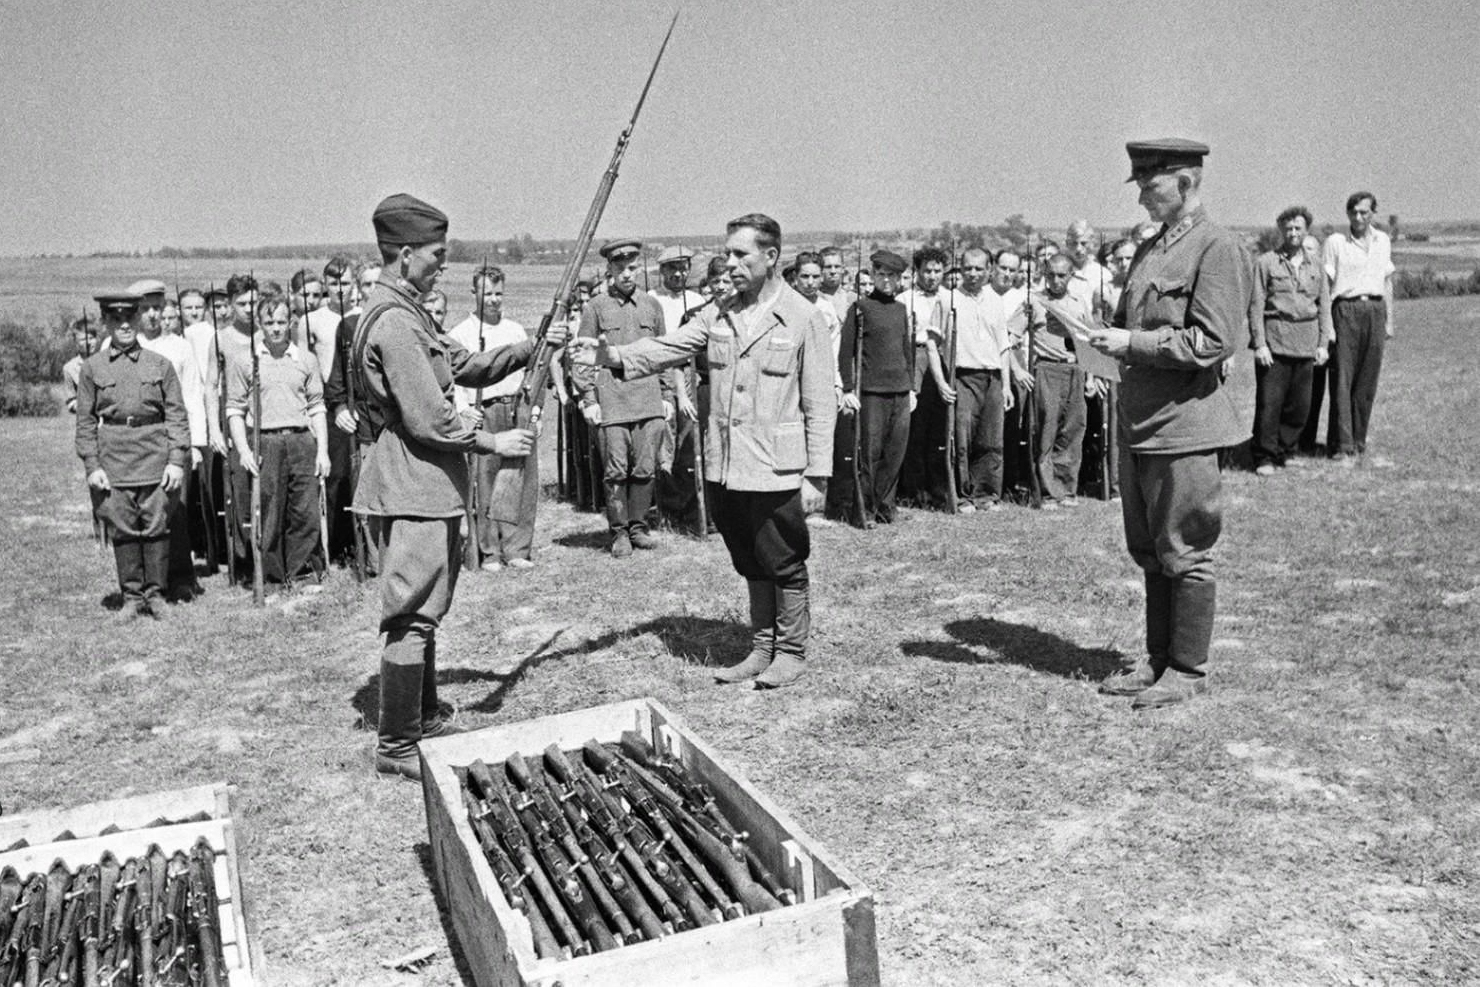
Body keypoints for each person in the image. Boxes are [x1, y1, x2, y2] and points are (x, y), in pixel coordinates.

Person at [350, 193, 565, 780]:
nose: (443, 265)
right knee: (411, 612)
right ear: (404, 254)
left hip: (426, 481)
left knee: (426, 607)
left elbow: (463, 365)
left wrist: (532, 346)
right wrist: (494, 442)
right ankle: (397, 744)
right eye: (436, 255)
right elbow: (430, 418)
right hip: (413, 481)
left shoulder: (409, 311)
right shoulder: (396, 322)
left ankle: (422, 718)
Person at [571, 213, 835, 689]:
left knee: (783, 558)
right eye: (727, 253)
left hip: (776, 465)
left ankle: (791, 652)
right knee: (748, 557)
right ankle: (762, 648)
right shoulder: (719, 312)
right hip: (727, 464)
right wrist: (613, 357)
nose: (730, 263)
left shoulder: (802, 316)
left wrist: (817, 474)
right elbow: (668, 347)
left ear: (771, 256)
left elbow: (820, 403)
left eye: (741, 254)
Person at [1088, 137, 1249, 709]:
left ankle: (1187, 667)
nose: (1141, 199)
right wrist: (1089, 333)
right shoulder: (1150, 249)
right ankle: (1158, 659)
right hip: (1139, 421)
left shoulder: (1217, 247)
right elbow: (1128, 324)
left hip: (1184, 426)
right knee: (1151, 549)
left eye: (1149, 185)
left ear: (1184, 182)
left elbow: (1212, 341)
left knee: (1186, 548)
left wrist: (1132, 342)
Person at [75, 292, 190, 618]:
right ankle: (132, 597)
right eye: (116, 319)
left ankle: (156, 595)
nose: (124, 325)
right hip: (114, 457)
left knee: (156, 524)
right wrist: (92, 465)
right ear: (106, 322)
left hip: (154, 454)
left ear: (138, 320)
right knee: (122, 525)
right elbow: (85, 422)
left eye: (130, 318)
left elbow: (177, 416)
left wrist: (176, 460)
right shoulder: (92, 368)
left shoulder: (160, 364)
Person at [573, 238, 673, 558]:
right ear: (610, 270)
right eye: (620, 269)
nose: (627, 274)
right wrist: (589, 399)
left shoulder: (652, 306)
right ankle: (618, 532)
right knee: (616, 469)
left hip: (648, 398)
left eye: (632, 268)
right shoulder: (596, 307)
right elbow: (583, 355)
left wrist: (667, 394)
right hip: (612, 400)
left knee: (645, 468)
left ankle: (638, 527)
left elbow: (664, 353)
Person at [225, 293, 330, 589]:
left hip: (301, 442)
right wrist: (244, 449)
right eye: (269, 322)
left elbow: (317, 407)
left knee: (305, 511)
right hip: (265, 443)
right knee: (269, 511)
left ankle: (303, 574)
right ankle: (271, 578)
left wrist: (322, 451)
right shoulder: (245, 361)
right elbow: (234, 410)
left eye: (281, 322)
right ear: (260, 323)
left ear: (291, 322)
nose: (275, 328)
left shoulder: (305, 360)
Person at [449, 265, 538, 570]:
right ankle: (489, 551)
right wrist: (464, 409)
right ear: (474, 293)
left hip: (516, 407)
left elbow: (530, 372)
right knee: (485, 479)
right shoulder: (460, 333)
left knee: (520, 476)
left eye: (499, 293)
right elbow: (453, 378)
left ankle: (517, 548)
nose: (494, 299)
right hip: (483, 411)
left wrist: (532, 409)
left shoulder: (515, 330)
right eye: (487, 293)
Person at [124, 279, 209, 598]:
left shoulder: (180, 347)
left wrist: (194, 445)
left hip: (173, 438)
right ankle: (144, 581)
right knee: (137, 509)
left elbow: (193, 396)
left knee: (176, 509)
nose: (152, 315)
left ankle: (181, 578)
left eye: (157, 308)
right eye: (145, 308)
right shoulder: (120, 345)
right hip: (134, 441)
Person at [929, 248, 1022, 512]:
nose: (972, 273)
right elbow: (932, 344)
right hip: (962, 377)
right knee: (962, 440)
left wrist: (1006, 386)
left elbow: (1003, 347)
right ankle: (962, 495)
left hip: (992, 378)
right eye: (968, 268)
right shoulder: (947, 299)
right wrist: (941, 382)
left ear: (989, 270)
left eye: (979, 269)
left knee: (991, 440)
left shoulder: (994, 300)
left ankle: (987, 494)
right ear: (960, 268)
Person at [1250, 206, 1333, 475]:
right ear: (1281, 230)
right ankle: (1264, 456)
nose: (1293, 233)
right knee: (1270, 404)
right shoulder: (1266, 263)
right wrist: (1260, 344)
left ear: (1306, 230)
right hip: (1275, 342)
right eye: (1288, 228)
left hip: (1306, 343)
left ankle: (1287, 450)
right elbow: (1256, 305)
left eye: (1298, 228)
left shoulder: (1316, 265)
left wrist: (1323, 344)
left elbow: (1324, 306)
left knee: (1299, 406)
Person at [839, 250, 914, 525]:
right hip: (871, 393)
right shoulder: (860, 308)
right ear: (873, 275)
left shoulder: (901, 309)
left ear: (899, 279)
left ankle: (886, 506)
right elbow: (845, 352)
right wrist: (848, 389)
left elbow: (906, 349)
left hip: (900, 391)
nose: (886, 280)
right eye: (881, 274)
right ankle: (864, 509)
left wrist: (911, 388)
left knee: (895, 453)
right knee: (869, 454)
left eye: (892, 275)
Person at [1323, 191, 1394, 464]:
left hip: (1375, 310)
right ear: (1347, 214)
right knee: (1343, 379)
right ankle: (1342, 444)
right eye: (1353, 212)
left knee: (1367, 380)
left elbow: (1387, 281)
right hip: (1345, 310)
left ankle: (1359, 440)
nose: (1358, 217)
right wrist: (1328, 326)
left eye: (1364, 212)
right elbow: (1326, 286)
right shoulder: (1336, 243)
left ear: (1373, 213)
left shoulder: (1382, 240)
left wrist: (1389, 320)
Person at [651, 246, 707, 532]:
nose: (678, 274)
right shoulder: (652, 300)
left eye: (683, 268)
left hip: (689, 372)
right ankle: (666, 507)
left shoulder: (697, 301)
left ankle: (688, 507)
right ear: (662, 271)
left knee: (689, 439)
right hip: (661, 372)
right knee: (665, 441)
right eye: (672, 268)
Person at [1028, 255, 1090, 508]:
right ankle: (1047, 492)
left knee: (1072, 430)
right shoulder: (1034, 301)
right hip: (1047, 369)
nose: (1055, 280)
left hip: (1075, 369)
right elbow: (1011, 335)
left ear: (1071, 276)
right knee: (1047, 429)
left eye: (1061, 275)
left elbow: (1087, 341)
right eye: (1051, 274)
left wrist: (1091, 377)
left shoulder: (1079, 302)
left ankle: (1066, 490)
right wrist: (1020, 371)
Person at [897, 247, 951, 509]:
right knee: (916, 425)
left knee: (939, 426)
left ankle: (938, 489)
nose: (932, 276)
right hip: (916, 356)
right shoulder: (905, 299)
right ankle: (914, 490)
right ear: (917, 271)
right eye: (927, 271)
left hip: (942, 358)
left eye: (937, 271)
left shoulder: (949, 297)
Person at [818, 247, 854, 322]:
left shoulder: (853, 298)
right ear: (820, 269)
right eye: (828, 267)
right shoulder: (814, 298)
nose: (833, 271)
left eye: (837, 266)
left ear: (843, 269)